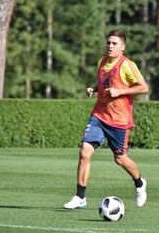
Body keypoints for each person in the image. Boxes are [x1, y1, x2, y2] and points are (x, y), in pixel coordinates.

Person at [64, 29, 149, 209]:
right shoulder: (102, 62)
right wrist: (94, 88)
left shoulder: (127, 65)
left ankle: (140, 183)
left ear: (123, 47)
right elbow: (105, 83)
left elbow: (143, 88)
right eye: (108, 43)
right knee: (84, 152)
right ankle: (80, 197)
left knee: (120, 159)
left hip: (119, 121)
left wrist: (121, 91)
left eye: (114, 43)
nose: (110, 46)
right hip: (99, 116)